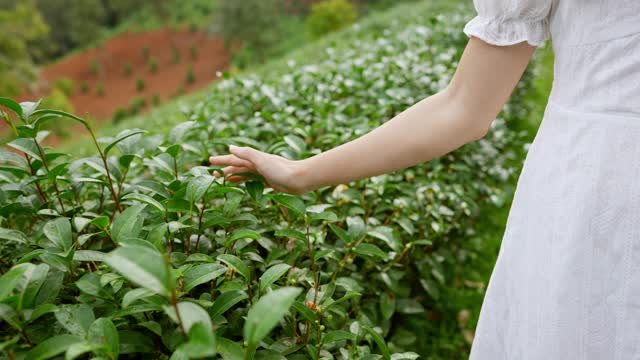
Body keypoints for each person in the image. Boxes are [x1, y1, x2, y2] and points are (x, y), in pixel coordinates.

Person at [210, 0, 640, 357]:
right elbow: (464, 109)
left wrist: (302, 174)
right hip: (602, 186)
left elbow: (466, 108)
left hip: (598, 181)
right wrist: (301, 173)